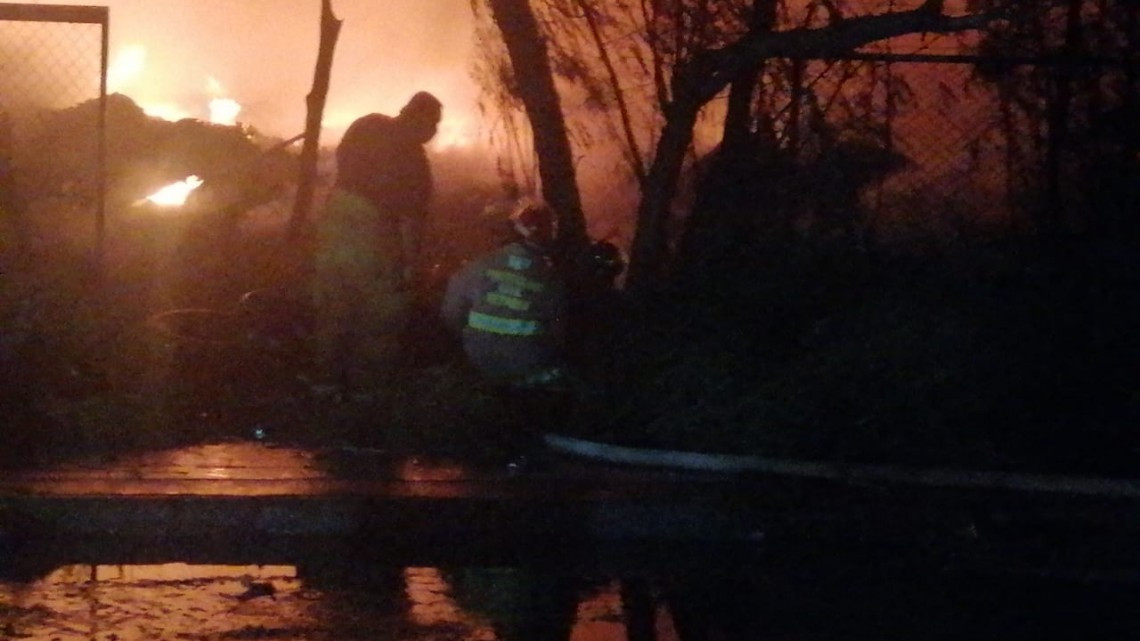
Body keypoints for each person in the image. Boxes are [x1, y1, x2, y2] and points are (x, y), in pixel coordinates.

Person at [310, 92, 442, 394]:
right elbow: (412, 221)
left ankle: (325, 384)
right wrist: (410, 268)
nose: (434, 131)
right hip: (373, 234)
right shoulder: (414, 160)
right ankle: (365, 391)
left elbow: (341, 165)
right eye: (433, 123)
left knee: (333, 306)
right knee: (380, 315)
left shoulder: (365, 125)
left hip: (334, 223)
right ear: (420, 120)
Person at [440, 199, 571, 458]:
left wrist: (469, 343)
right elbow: (558, 335)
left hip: (477, 363)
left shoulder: (479, 266)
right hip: (528, 369)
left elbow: (450, 315)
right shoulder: (550, 278)